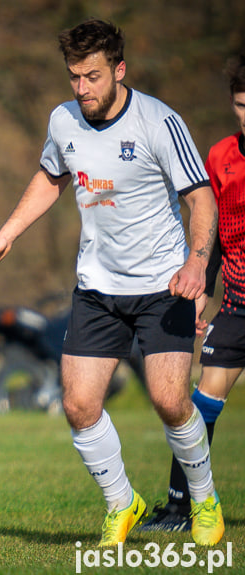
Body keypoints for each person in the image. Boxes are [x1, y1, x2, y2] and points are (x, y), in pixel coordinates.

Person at [0, 19, 224, 547]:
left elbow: (201, 198)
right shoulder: (64, 121)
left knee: (170, 401)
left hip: (163, 284)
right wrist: (5, 236)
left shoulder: (158, 121)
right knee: (79, 406)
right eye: (74, 77)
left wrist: (197, 263)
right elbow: (50, 178)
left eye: (93, 77)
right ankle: (122, 504)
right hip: (98, 288)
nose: (82, 89)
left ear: (119, 70)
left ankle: (205, 499)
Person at [140, 54, 245, 533]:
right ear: (232, 104)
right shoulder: (222, 156)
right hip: (239, 306)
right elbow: (218, 232)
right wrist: (201, 282)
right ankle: (182, 509)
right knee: (198, 407)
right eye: (243, 105)